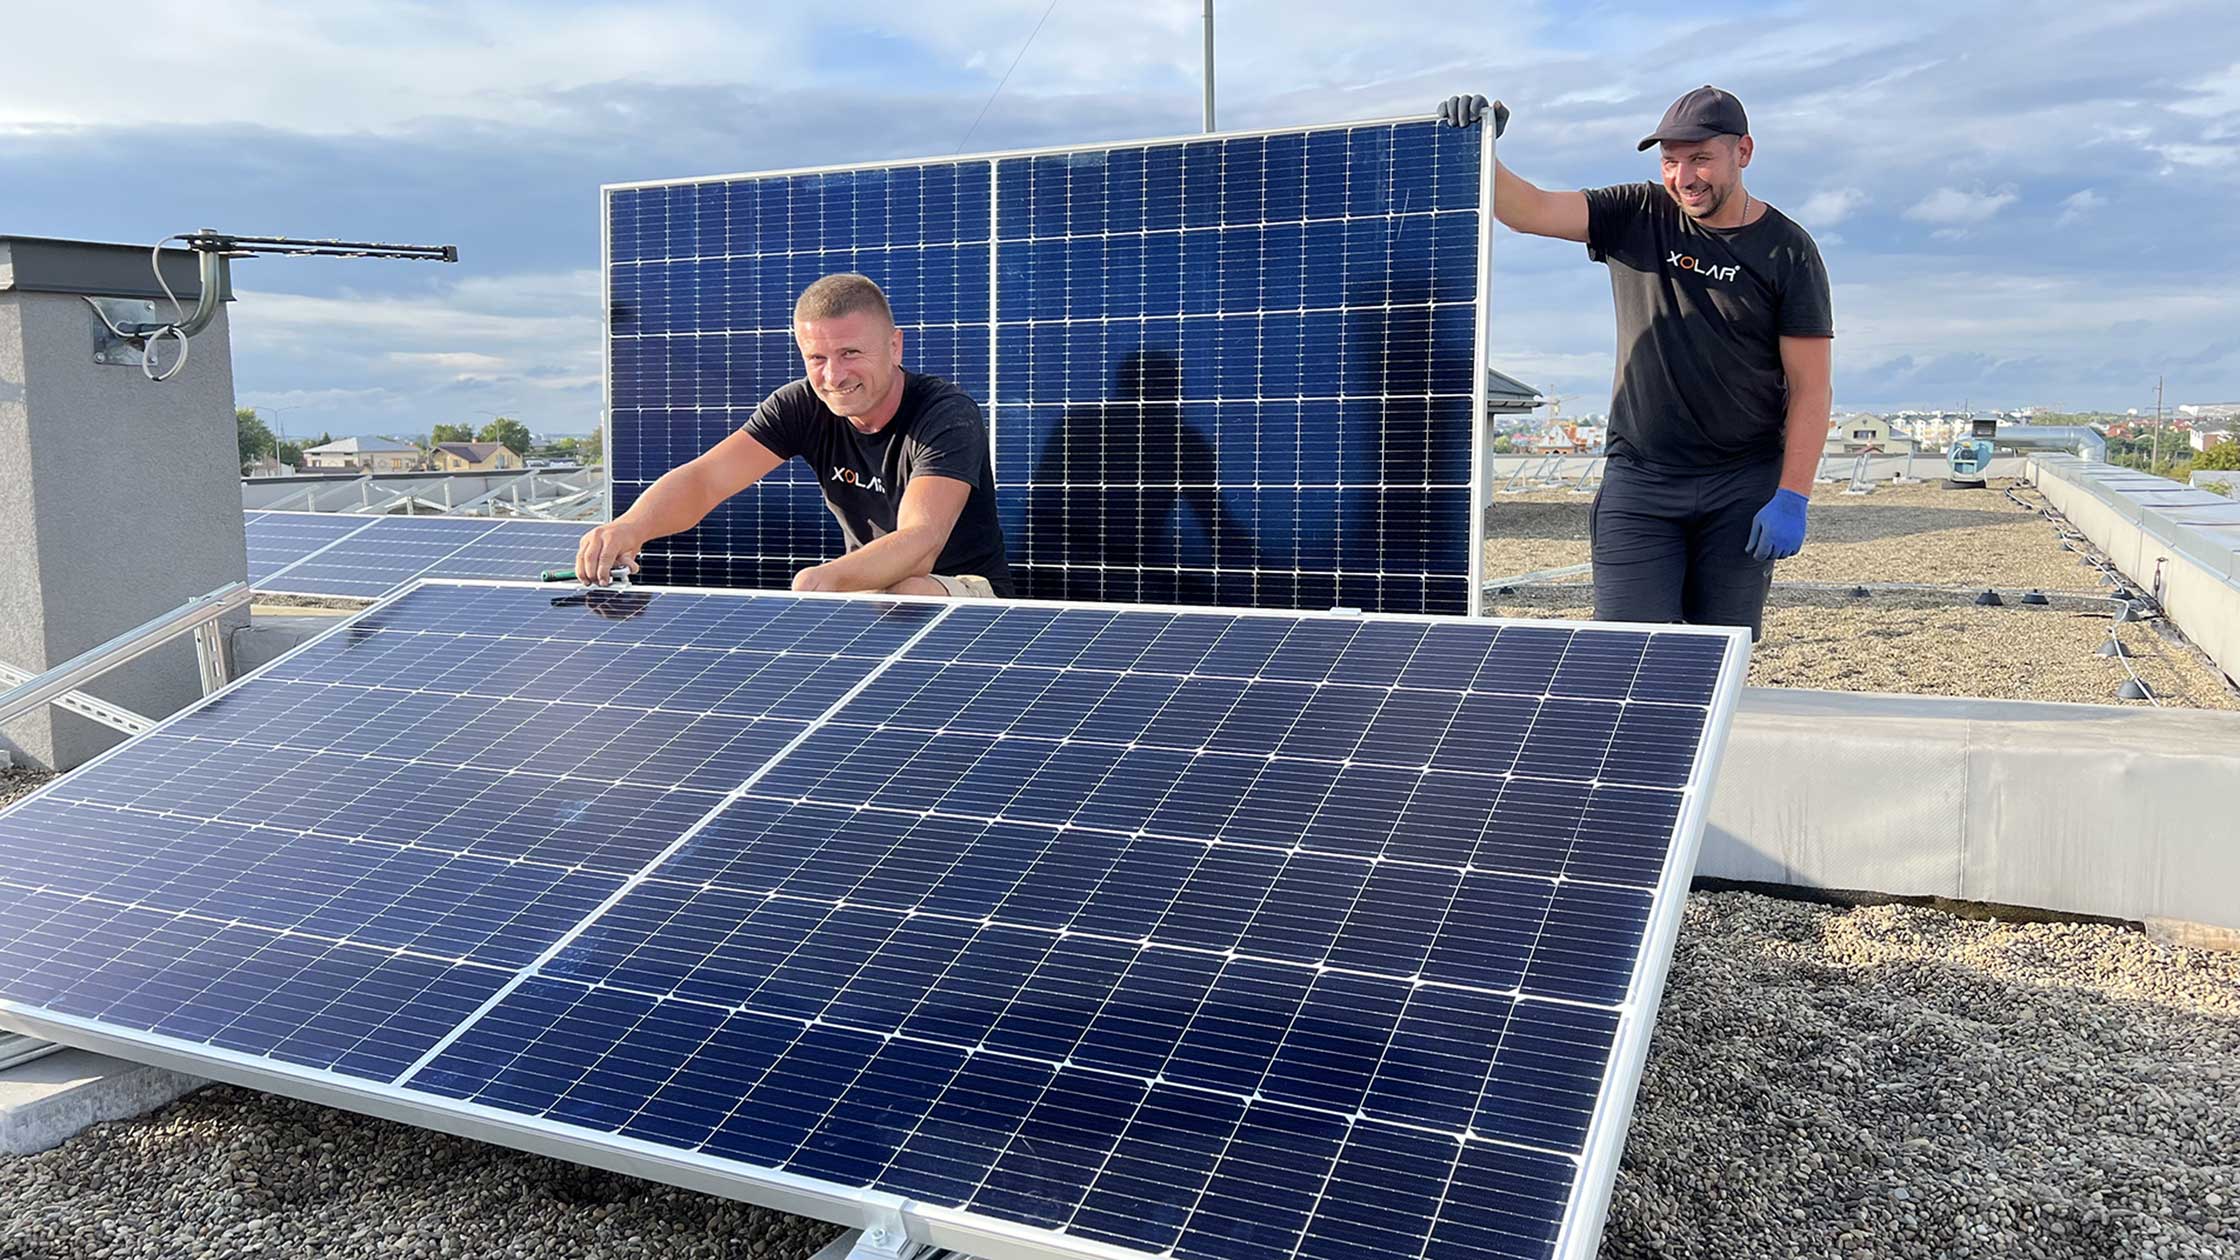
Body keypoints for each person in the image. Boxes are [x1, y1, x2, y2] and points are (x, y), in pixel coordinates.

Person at [1438, 86, 1833, 639]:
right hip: (1641, 480)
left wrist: (1793, 495)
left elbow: (1811, 388)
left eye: (1701, 159)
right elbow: (1529, 211)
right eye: (1671, 161)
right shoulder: (1638, 212)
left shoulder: (1788, 250)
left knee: (1718, 655)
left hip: (1741, 484)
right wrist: (1478, 148)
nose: (1684, 177)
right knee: (1625, 653)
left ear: (1743, 152)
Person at [575, 272, 1014, 597]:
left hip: (963, 592)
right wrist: (630, 527)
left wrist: (828, 580)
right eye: (816, 357)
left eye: (850, 353)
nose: (833, 376)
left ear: (894, 346)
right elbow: (704, 480)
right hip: (867, 592)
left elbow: (921, 543)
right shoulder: (801, 405)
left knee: (905, 591)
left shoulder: (945, 413)